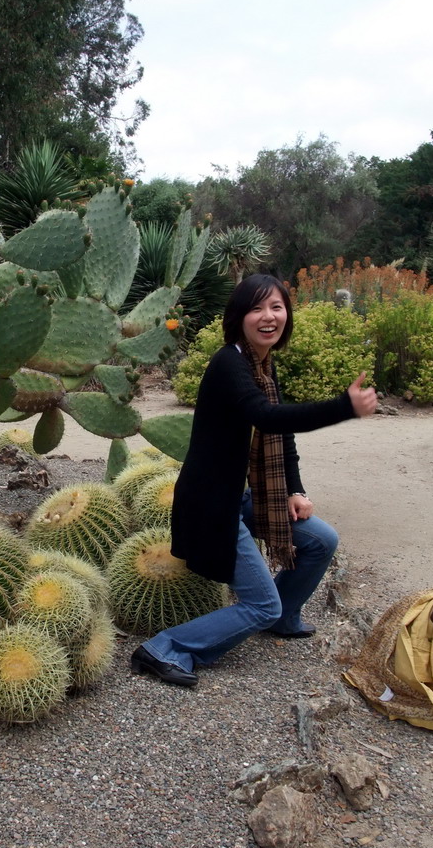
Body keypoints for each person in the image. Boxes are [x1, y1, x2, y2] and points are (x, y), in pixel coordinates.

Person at [131, 273, 377, 688]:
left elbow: (280, 436)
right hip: (212, 505)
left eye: (277, 307)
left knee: (321, 541)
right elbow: (265, 416)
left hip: (242, 494)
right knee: (260, 605)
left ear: (287, 315)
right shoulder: (229, 362)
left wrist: (295, 490)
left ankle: (283, 616)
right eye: (257, 308)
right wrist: (343, 407)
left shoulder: (261, 363)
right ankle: (163, 648)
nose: (269, 316)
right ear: (239, 317)